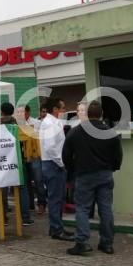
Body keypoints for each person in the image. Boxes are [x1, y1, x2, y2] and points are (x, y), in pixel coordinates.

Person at [62, 101, 123, 255]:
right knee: (106, 209)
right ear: (101, 114)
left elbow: (66, 155)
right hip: (105, 174)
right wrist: (113, 167)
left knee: (82, 208)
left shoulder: (75, 132)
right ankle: (107, 243)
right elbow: (118, 155)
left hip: (84, 174)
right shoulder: (110, 132)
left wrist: (73, 169)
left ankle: (82, 242)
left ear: (87, 114)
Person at [39, 97, 74, 241]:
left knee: (58, 198)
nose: (64, 110)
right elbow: (51, 147)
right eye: (62, 107)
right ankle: (56, 230)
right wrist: (61, 163)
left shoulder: (54, 122)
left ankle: (56, 227)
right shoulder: (49, 124)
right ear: (55, 109)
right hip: (53, 164)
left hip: (54, 163)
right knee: (55, 199)